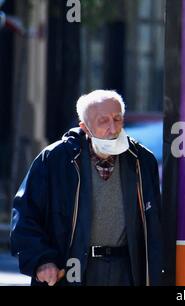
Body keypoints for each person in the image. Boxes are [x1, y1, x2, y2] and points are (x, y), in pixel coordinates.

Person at [10, 90, 164, 286]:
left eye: (117, 119)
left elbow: (155, 224)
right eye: (103, 121)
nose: (112, 128)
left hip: (126, 269)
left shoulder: (141, 160)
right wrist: (41, 261)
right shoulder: (55, 160)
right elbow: (26, 215)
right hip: (74, 268)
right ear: (85, 127)